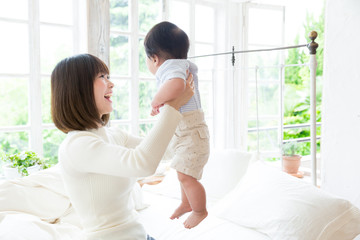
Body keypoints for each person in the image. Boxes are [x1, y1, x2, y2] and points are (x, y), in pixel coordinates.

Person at [51, 53, 194, 240]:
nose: (111, 84)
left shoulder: (113, 135)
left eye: (108, 76)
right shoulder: (76, 146)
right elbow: (143, 164)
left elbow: (167, 150)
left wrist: (184, 106)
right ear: (79, 88)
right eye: (102, 77)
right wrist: (173, 106)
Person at [144, 21, 210, 229]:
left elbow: (177, 85)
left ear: (154, 58)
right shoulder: (179, 65)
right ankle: (186, 203)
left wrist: (156, 100)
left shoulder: (171, 67)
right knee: (183, 171)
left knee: (185, 174)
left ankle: (200, 210)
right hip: (187, 132)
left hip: (191, 133)